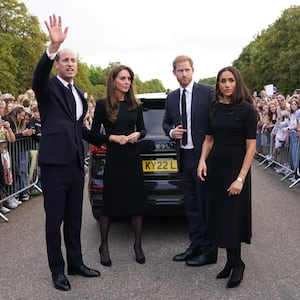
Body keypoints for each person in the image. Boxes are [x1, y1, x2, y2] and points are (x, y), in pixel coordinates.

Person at [31, 14, 100, 292]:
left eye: (73, 60)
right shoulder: (47, 88)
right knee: (54, 221)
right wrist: (52, 47)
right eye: (65, 60)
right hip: (54, 165)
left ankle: (76, 263)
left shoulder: (80, 94)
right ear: (57, 64)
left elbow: (78, 129)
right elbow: (37, 78)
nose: (70, 64)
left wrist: (110, 138)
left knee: (74, 219)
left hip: (74, 165)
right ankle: (57, 271)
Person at [197, 66, 257, 288]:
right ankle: (231, 262)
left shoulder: (247, 110)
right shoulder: (213, 108)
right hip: (216, 169)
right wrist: (202, 160)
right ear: (218, 84)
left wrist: (241, 178)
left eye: (231, 80)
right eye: (223, 81)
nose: (227, 84)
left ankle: (238, 264)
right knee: (221, 216)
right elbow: (209, 139)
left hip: (236, 170)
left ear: (237, 82)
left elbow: (251, 147)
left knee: (233, 218)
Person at [91, 64, 148, 267]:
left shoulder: (135, 104)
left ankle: (138, 245)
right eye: (123, 78)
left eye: (129, 79)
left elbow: (143, 129)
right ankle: (104, 246)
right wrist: (112, 137)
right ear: (113, 81)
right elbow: (93, 135)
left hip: (132, 158)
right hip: (114, 158)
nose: (127, 82)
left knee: (136, 204)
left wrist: (137, 135)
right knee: (109, 205)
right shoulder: (102, 104)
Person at [162, 55, 217, 267]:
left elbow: (218, 121)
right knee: (191, 206)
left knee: (205, 205)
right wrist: (171, 131)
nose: (184, 74)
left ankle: (209, 251)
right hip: (183, 157)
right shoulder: (172, 97)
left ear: (193, 70)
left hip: (203, 158)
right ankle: (195, 245)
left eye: (187, 70)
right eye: (180, 71)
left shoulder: (208, 92)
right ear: (174, 72)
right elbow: (166, 122)